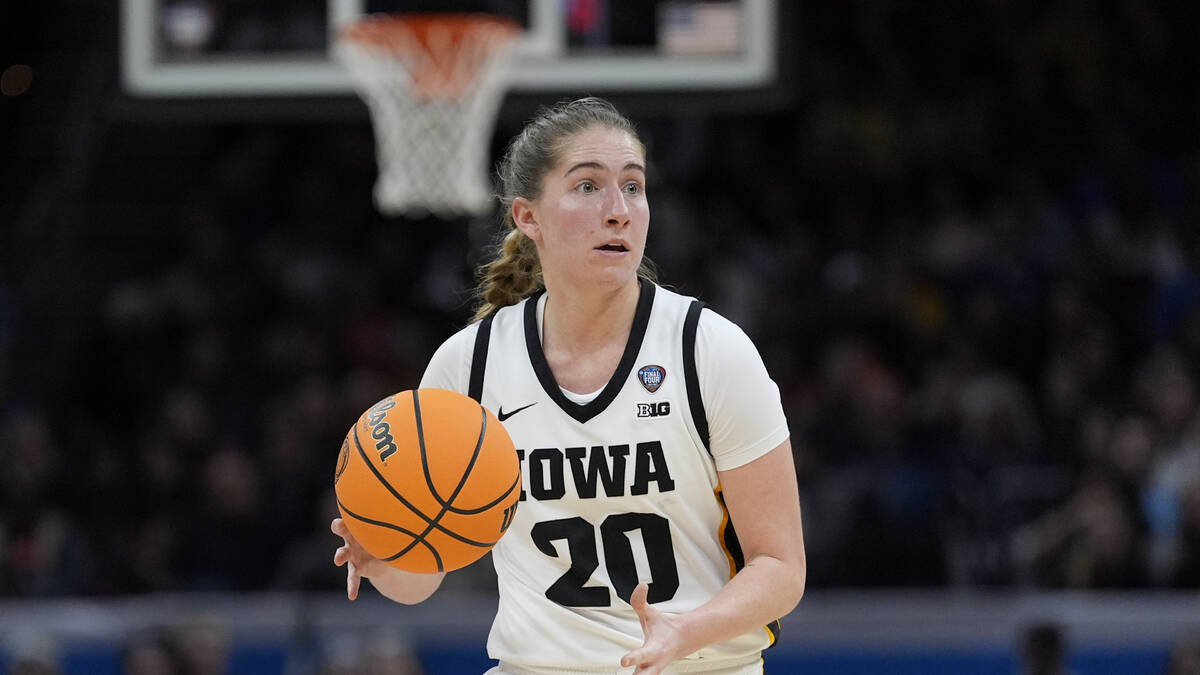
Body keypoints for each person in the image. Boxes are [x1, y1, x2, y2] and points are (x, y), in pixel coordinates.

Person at [331, 97, 806, 675]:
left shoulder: (709, 351)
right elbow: (423, 578)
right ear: (528, 217)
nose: (619, 210)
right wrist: (382, 551)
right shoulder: (470, 365)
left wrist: (683, 632)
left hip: (698, 667)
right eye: (588, 187)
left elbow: (781, 566)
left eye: (634, 187)